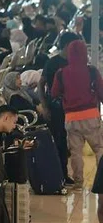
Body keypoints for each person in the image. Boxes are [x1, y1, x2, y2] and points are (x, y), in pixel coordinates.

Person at [51, 38, 103, 187]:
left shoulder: (61, 73)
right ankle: (101, 180)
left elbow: (54, 93)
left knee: (76, 153)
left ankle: (79, 182)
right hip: (91, 116)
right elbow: (101, 91)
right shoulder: (92, 71)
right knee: (99, 149)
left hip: (71, 118)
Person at [40, 31, 79, 180]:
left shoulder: (73, 62)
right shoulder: (53, 62)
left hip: (70, 108)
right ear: (68, 45)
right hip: (55, 107)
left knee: (67, 142)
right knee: (58, 141)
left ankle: (64, 174)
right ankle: (59, 174)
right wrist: (44, 106)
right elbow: (41, 83)